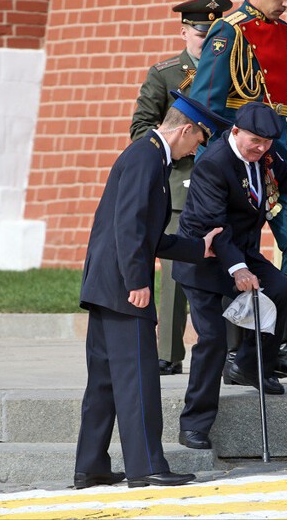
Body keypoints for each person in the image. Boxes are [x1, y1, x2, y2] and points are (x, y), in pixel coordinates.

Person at [74, 93, 229, 489]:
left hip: (106, 285)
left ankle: (90, 465)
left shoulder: (148, 156)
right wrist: (138, 282)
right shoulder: (147, 158)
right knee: (138, 378)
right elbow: (129, 225)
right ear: (184, 129)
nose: (198, 148)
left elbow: (147, 234)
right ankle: (146, 467)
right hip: (124, 288)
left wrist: (198, 248)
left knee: (106, 381)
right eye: (199, 139)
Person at [189, 0, 287, 385]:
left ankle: (285, 347)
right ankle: (240, 356)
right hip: (237, 155)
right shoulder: (228, 31)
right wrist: (214, 167)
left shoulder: (285, 33)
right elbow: (208, 103)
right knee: (235, 250)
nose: (286, 2)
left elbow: (284, 110)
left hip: (280, 154)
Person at [172, 102, 287, 450]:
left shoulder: (264, 155)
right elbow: (214, 227)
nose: (261, 148)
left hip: (241, 249)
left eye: (266, 142)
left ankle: (247, 365)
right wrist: (239, 269)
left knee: (281, 289)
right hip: (203, 256)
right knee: (213, 340)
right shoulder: (213, 165)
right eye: (255, 141)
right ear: (236, 132)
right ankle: (194, 424)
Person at [129, 0, 233, 376]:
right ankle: (169, 352)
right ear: (185, 31)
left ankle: (228, 353)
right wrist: (187, 149)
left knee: (226, 264)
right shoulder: (166, 73)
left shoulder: (232, 70)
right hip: (180, 183)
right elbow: (141, 131)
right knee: (175, 273)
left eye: (212, 35)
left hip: (222, 187)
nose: (205, 42)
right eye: (200, 34)